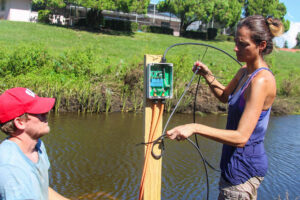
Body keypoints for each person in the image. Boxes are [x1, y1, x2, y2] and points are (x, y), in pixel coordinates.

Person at [166, 15, 284, 199]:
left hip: (243, 170)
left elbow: (241, 137)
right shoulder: (244, 72)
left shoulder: (261, 81)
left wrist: (195, 127)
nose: (236, 48)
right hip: (233, 166)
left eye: (243, 44)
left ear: (260, 46)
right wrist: (207, 75)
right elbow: (224, 96)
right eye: (236, 41)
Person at [0, 87, 69, 200]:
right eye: (38, 112)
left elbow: (43, 190)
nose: (46, 114)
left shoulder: (37, 146)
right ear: (20, 122)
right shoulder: (10, 168)